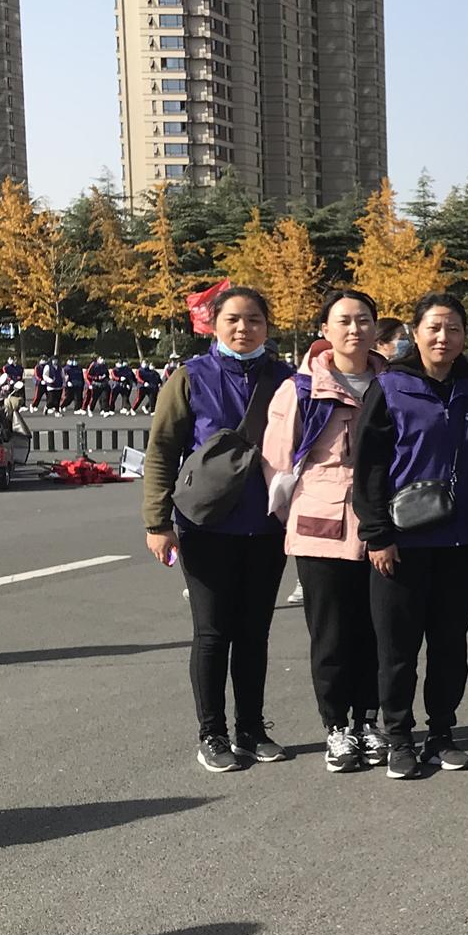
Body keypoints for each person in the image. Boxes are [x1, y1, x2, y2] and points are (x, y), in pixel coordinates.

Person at [141, 286, 296, 773]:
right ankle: (212, 733)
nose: (243, 328)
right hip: (205, 525)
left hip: (267, 526)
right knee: (212, 633)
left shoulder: (286, 380)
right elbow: (162, 451)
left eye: (254, 319)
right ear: (214, 324)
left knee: (254, 632)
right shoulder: (191, 378)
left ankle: (251, 728)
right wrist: (157, 522)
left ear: (267, 326)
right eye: (233, 319)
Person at [351, 292, 468, 781]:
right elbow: (368, 468)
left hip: (459, 543)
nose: (443, 337)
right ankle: (398, 737)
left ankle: (442, 733)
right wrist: (376, 535)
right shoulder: (390, 388)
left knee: (450, 647)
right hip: (401, 544)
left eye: (454, 328)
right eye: (434, 327)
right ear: (415, 333)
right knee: (398, 651)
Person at [262, 288, 389, 773]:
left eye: (364, 320)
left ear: (376, 327)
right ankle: (337, 727)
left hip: (382, 523)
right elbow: (276, 464)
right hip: (320, 526)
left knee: (377, 629)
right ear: (325, 330)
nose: (355, 329)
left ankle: (368, 720)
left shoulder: (393, 383)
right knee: (331, 633)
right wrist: (298, 516)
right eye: (344, 321)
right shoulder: (301, 388)